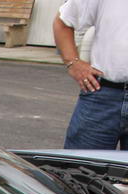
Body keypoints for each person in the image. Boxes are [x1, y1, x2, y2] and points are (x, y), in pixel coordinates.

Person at [54, 0, 128, 150]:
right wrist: (73, 63)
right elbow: (62, 22)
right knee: (81, 169)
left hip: (101, 97)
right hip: (103, 97)